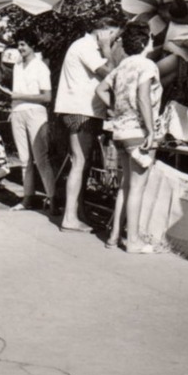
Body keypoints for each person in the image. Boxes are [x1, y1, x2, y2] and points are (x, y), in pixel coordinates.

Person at [97, 21, 164, 253]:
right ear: (145, 42)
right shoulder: (147, 65)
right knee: (137, 188)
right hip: (139, 132)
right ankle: (133, 240)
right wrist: (152, 131)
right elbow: (144, 97)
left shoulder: (122, 66)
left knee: (125, 186)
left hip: (120, 131)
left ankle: (114, 236)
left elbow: (100, 89)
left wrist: (116, 108)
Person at [54, 18, 124, 233]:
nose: (117, 40)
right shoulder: (85, 46)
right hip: (80, 110)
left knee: (82, 164)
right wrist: (106, 48)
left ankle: (77, 212)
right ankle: (69, 218)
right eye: (116, 35)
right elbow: (111, 73)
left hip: (87, 110)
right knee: (79, 162)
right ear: (105, 31)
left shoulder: (87, 47)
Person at [0, 34, 54, 213]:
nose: (20, 48)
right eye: (19, 44)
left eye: (23, 44)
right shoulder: (18, 65)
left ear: (32, 45)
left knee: (41, 158)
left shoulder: (41, 67)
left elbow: (47, 96)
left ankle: (52, 199)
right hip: (17, 112)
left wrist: (18, 96)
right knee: (24, 159)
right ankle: (27, 198)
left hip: (35, 113)